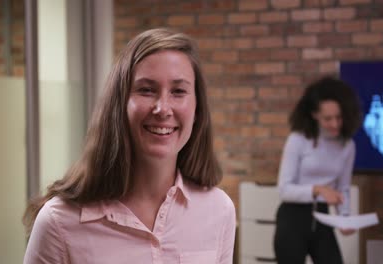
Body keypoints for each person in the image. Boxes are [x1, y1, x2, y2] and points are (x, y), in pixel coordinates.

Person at [22, 28, 236, 264]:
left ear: (197, 110)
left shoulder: (219, 211)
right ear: (119, 105)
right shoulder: (58, 222)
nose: (163, 109)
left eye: (178, 91)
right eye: (146, 90)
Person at [273, 76, 362, 264]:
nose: (335, 124)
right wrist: (318, 190)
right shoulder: (298, 140)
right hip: (292, 218)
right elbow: (284, 189)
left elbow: (343, 188)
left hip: (323, 218)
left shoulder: (347, 145)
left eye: (339, 117)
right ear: (314, 115)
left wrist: (344, 217)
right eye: (328, 119)